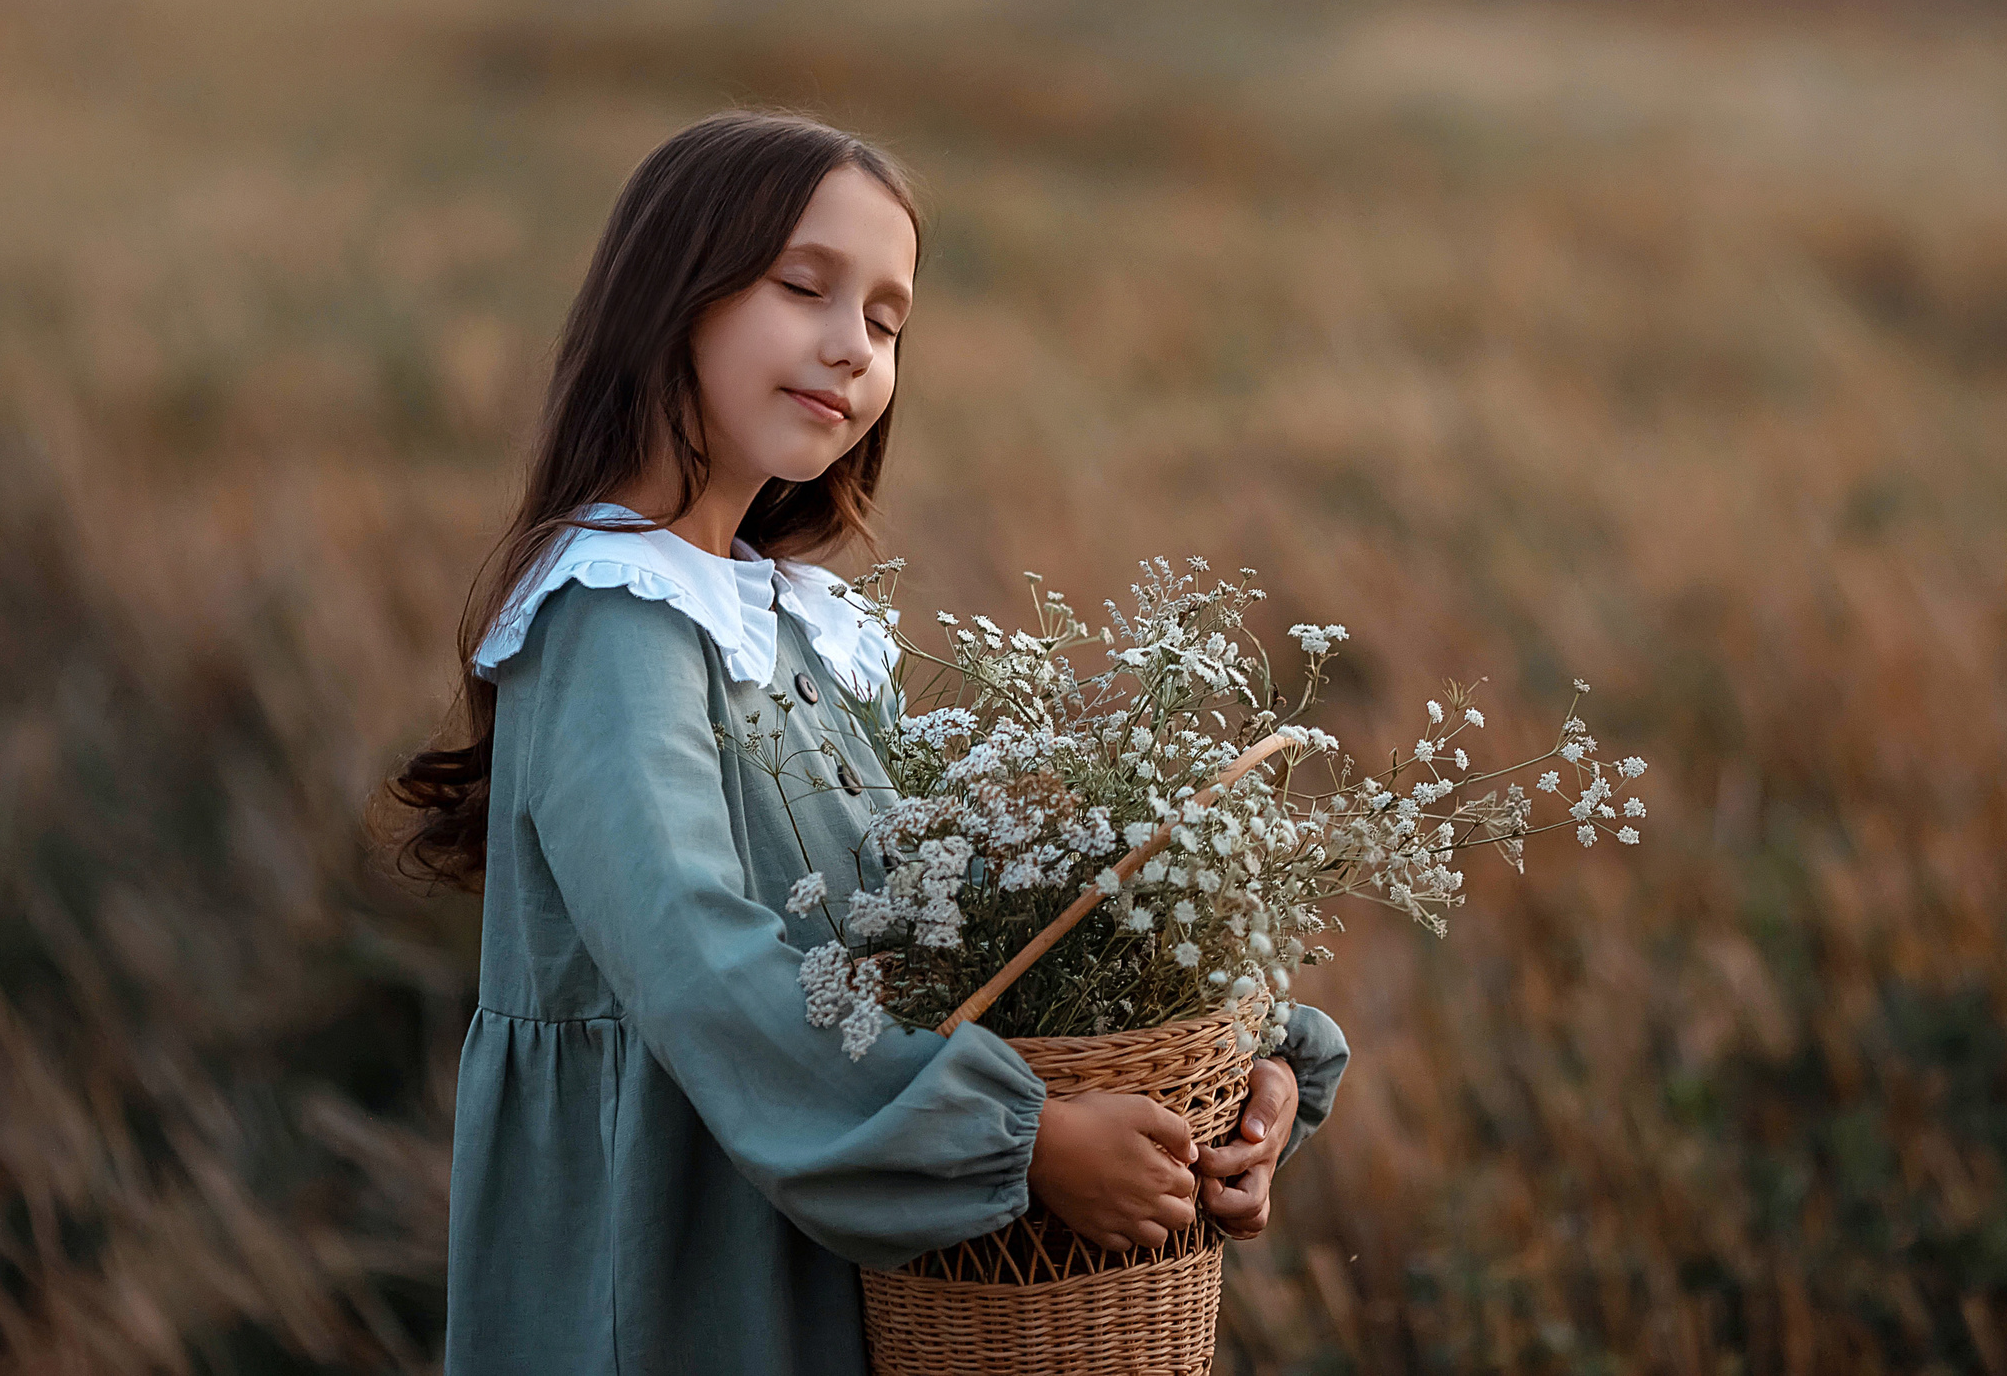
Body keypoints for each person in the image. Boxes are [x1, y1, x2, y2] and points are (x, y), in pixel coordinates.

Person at [377, 110, 1350, 1374]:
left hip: (821, 1250)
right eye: (804, 288)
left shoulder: (798, 627)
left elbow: (953, 931)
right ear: (670, 297)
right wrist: (1030, 1144)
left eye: (889, 322)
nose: (851, 349)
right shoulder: (615, 619)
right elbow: (699, 962)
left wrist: (1238, 1068)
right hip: (671, 1272)